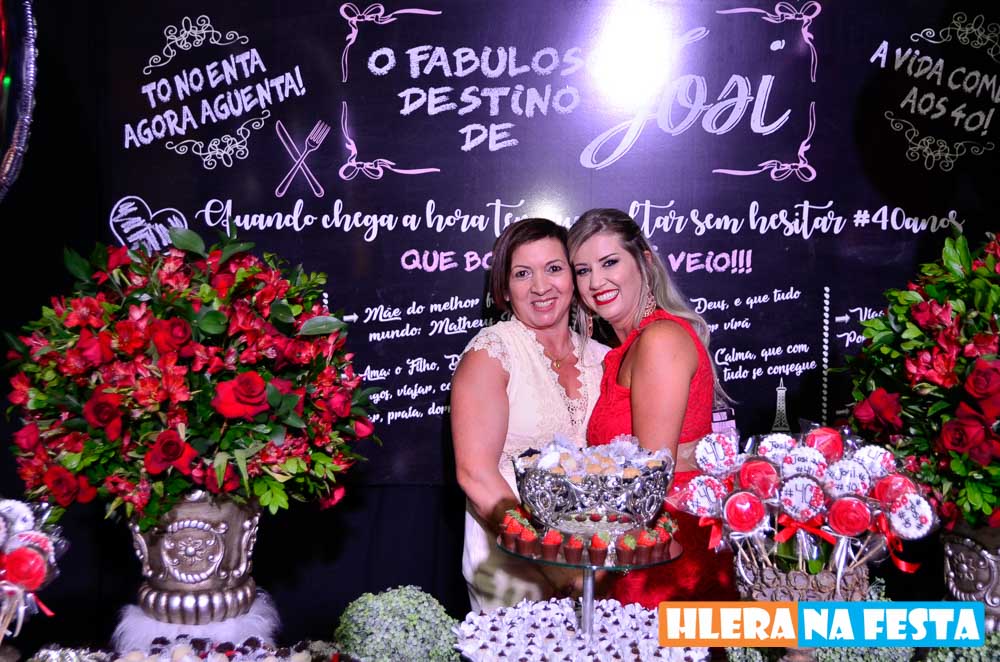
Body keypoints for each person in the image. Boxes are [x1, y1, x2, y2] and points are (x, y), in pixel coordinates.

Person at [568, 207, 737, 607]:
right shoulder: (628, 348)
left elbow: (651, 479)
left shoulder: (660, 339)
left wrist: (591, 573)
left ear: (644, 261)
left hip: (668, 556)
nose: (596, 281)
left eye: (609, 262)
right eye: (583, 270)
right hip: (643, 544)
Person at [452, 218, 609, 611]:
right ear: (505, 289)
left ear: (573, 278)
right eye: (523, 273)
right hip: (511, 575)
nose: (541, 286)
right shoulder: (492, 353)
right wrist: (554, 564)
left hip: (598, 573)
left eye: (553, 268)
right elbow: (475, 474)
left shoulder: (604, 359)